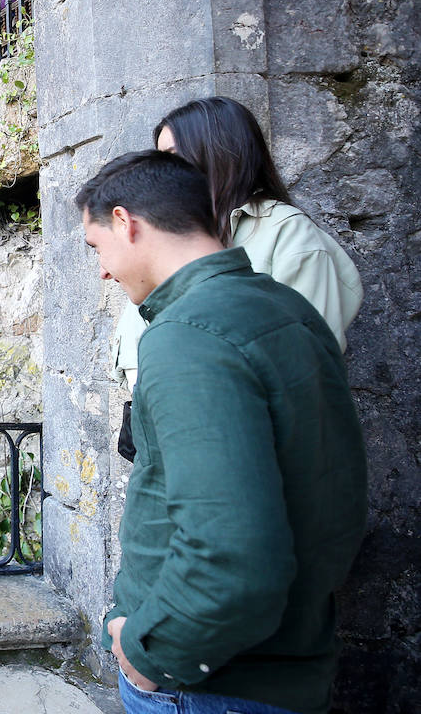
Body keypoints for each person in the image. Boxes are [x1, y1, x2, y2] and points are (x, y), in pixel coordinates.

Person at [76, 150, 367, 714]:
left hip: (210, 686)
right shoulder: (287, 308)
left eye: (97, 248)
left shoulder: (188, 335)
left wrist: (148, 653)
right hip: (291, 660)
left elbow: (230, 555)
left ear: (124, 221)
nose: (104, 270)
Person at [114, 96, 362, 389]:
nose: (163, 173)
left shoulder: (287, 233)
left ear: (218, 152)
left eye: (173, 156)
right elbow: (137, 339)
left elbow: (305, 363)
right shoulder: (171, 235)